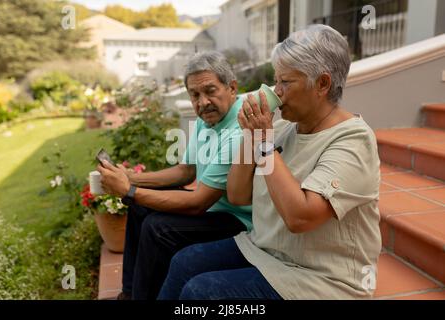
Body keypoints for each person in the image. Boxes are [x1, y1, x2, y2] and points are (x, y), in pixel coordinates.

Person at [157, 24, 382, 300]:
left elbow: (300, 217)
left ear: (322, 84)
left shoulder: (353, 140)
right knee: (184, 262)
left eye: (285, 82)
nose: (277, 90)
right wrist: (250, 138)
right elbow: (238, 195)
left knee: (202, 294)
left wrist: (264, 144)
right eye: (276, 81)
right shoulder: (285, 130)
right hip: (266, 251)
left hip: (321, 280)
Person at [97, 51, 252, 300]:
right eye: (195, 95)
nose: (202, 102)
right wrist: (130, 178)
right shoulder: (209, 118)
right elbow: (186, 171)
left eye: (210, 91)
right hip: (213, 208)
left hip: (238, 221)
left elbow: (197, 202)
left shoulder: (239, 130)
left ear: (232, 88)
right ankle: (128, 294)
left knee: (158, 228)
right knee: (139, 210)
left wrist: (129, 191)